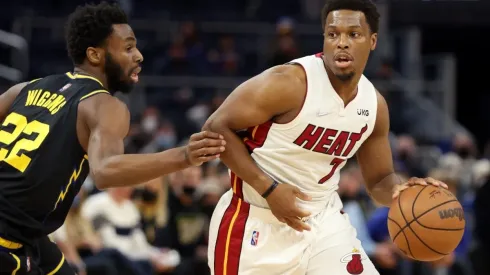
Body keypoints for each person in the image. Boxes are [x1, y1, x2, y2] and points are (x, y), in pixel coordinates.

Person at [203, 0, 447, 274]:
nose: (341, 43)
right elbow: (214, 129)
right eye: (333, 34)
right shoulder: (289, 83)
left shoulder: (373, 105)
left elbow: (379, 180)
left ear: (373, 40)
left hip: (325, 223)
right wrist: (268, 189)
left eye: (353, 34)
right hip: (256, 220)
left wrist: (403, 193)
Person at [0, 2, 225, 274]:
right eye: (128, 47)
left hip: (28, 234)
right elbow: (105, 172)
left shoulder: (24, 89)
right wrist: (184, 156)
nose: (139, 56)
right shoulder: (105, 106)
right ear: (95, 55)